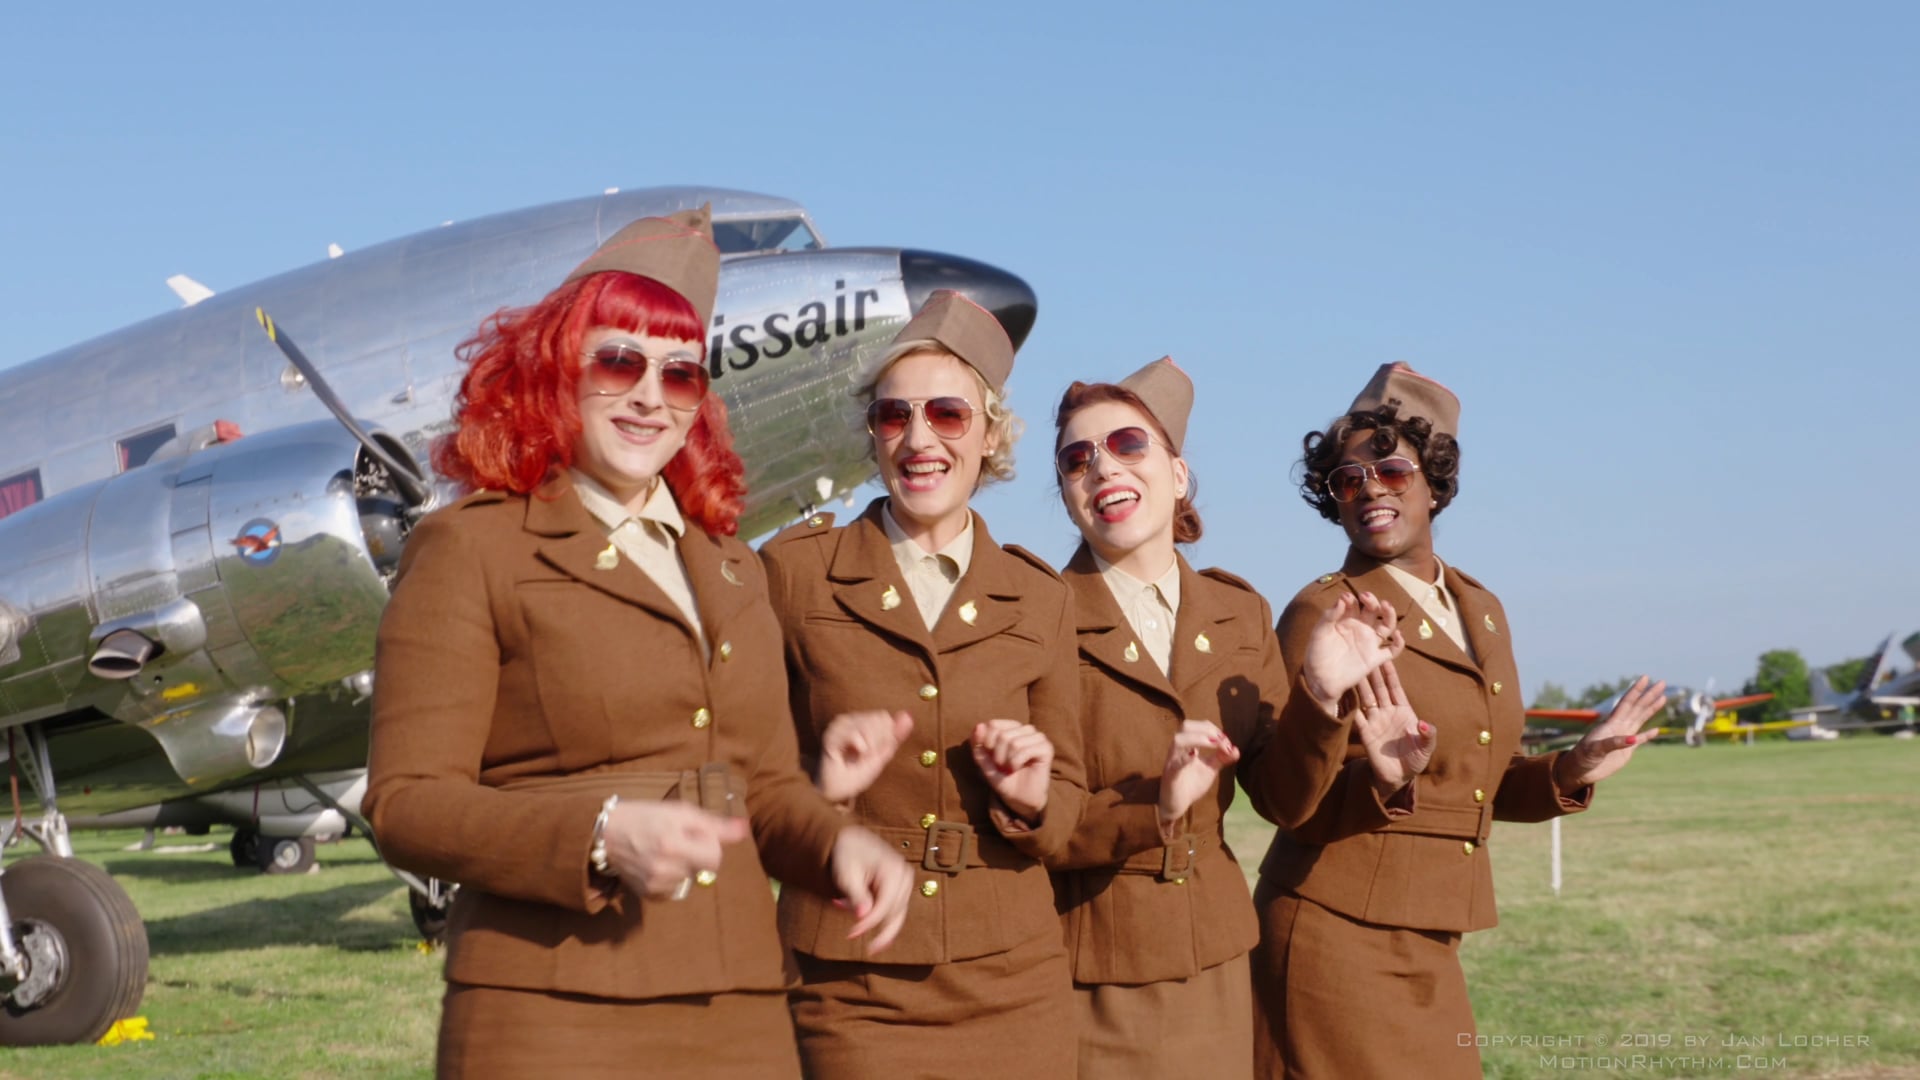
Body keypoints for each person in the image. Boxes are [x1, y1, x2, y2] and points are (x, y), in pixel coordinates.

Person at [363, 207, 913, 1079]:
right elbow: (405, 804)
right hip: (550, 1013)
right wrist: (599, 833)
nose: (651, 396)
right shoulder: (471, 545)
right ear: (554, 373)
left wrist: (836, 843)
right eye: (619, 362)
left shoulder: (731, 566)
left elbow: (761, 786)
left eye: (681, 374)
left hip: (738, 1009)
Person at [1250, 362, 1668, 1078]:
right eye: (1346, 481)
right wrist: (1382, 777)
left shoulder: (1482, 609)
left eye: (1391, 471)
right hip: (1333, 933)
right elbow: (1285, 801)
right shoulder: (1325, 611)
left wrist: (1571, 768)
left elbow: (1479, 783)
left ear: (1435, 481)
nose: (1370, 491)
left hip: (1434, 935)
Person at [1048, 357, 1432, 1077]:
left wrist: (1321, 699)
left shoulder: (1236, 612)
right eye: (1077, 458)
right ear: (1068, 492)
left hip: (1218, 966)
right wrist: (1152, 805)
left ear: (1179, 474)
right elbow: (1035, 819)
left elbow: (1282, 800)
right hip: (1088, 971)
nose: (1102, 468)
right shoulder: (1036, 613)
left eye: (1128, 445)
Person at [759, 290, 1086, 1078]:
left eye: (947, 414)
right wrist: (822, 787)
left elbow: (1068, 804)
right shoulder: (795, 575)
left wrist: (1034, 795)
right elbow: (747, 772)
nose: (917, 439)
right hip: (848, 974)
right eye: (892, 415)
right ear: (872, 435)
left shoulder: (1042, 599)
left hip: (1014, 980)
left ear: (990, 435)